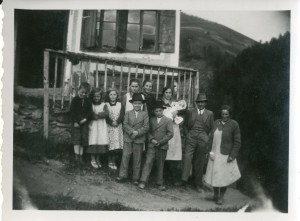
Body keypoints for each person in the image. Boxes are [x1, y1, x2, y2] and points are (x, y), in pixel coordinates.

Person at [176, 93, 214, 193]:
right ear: (196, 103)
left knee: (200, 161)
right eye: (199, 102)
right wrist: (188, 135)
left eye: (203, 102)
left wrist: (206, 138)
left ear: (205, 103)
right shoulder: (190, 112)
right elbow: (184, 126)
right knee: (187, 157)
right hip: (191, 137)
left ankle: (198, 184)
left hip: (203, 138)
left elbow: (211, 128)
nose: (200, 104)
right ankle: (184, 181)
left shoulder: (210, 114)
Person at [204, 105, 241, 205]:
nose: (224, 116)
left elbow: (237, 142)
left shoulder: (234, 124)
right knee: (215, 175)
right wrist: (209, 152)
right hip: (214, 153)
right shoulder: (216, 122)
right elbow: (211, 138)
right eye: (222, 114)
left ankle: (221, 197)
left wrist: (232, 155)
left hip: (225, 154)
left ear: (230, 115)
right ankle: (215, 195)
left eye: (226, 114)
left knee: (223, 177)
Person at [138, 100, 174, 191]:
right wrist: (152, 140)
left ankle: (159, 183)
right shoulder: (151, 120)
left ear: (163, 111)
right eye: (156, 111)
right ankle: (143, 181)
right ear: (154, 112)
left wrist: (161, 142)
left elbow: (170, 134)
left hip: (162, 146)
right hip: (152, 145)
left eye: (160, 111)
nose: (158, 113)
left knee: (160, 164)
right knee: (148, 162)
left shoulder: (168, 120)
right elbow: (148, 131)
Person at [116, 93, 149, 184]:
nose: (137, 105)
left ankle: (135, 177)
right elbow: (125, 124)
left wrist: (137, 132)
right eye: (135, 103)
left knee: (137, 159)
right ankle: (122, 175)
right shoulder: (128, 113)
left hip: (139, 139)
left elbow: (146, 127)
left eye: (139, 103)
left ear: (142, 104)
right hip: (128, 138)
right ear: (132, 104)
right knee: (125, 157)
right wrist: (131, 132)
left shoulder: (145, 114)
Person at [159, 86, 185, 183]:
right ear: (163, 93)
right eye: (166, 92)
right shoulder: (160, 104)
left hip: (175, 129)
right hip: (165, 129)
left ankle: (173, 177)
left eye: (170, 93)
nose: (168, 94)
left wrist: (177, 112)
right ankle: (163, 176)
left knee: (174, 151)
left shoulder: (175, 104)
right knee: (165, 150)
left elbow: (183, 108)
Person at [70, 82, 93, 164]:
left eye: (85, 93)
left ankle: (81, 157)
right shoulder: (75, 100)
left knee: (83, 139)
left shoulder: (88, 101)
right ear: (79, 90)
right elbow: (72, 112)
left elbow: (90, 112)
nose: (83, 94)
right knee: (77, 139)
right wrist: (75, 122)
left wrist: (86, 119)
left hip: (84, 123)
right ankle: (76, 157)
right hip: (76, 123)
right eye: (82, 92)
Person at [86, 88, 109, 168]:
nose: (96, 98)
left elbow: (106, 113)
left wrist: (99, 115)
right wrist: (93, 116)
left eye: (98, 96)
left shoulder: (104, 105)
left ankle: (98, 159)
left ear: (101, 96)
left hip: (101, 126)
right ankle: (92, 159)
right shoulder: (90, 104)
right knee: (93, 140)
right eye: (95, 96)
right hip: (93, 125)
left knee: (100, 140)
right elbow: (89, 113)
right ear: (92, 96)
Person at [105, 88, 125, 170]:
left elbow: (122, 115)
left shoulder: (120, 104)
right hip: (109, 127)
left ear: (117, 96)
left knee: (116, 145)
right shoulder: (106, 104)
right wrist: (111, 122)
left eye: (114, 94)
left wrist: (117, 122)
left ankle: (114, 161)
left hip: (117, 127)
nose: (113, 96)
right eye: (111, 94)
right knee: (110, 144)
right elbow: (106, 115)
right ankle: (110, 161)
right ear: (108, 96)